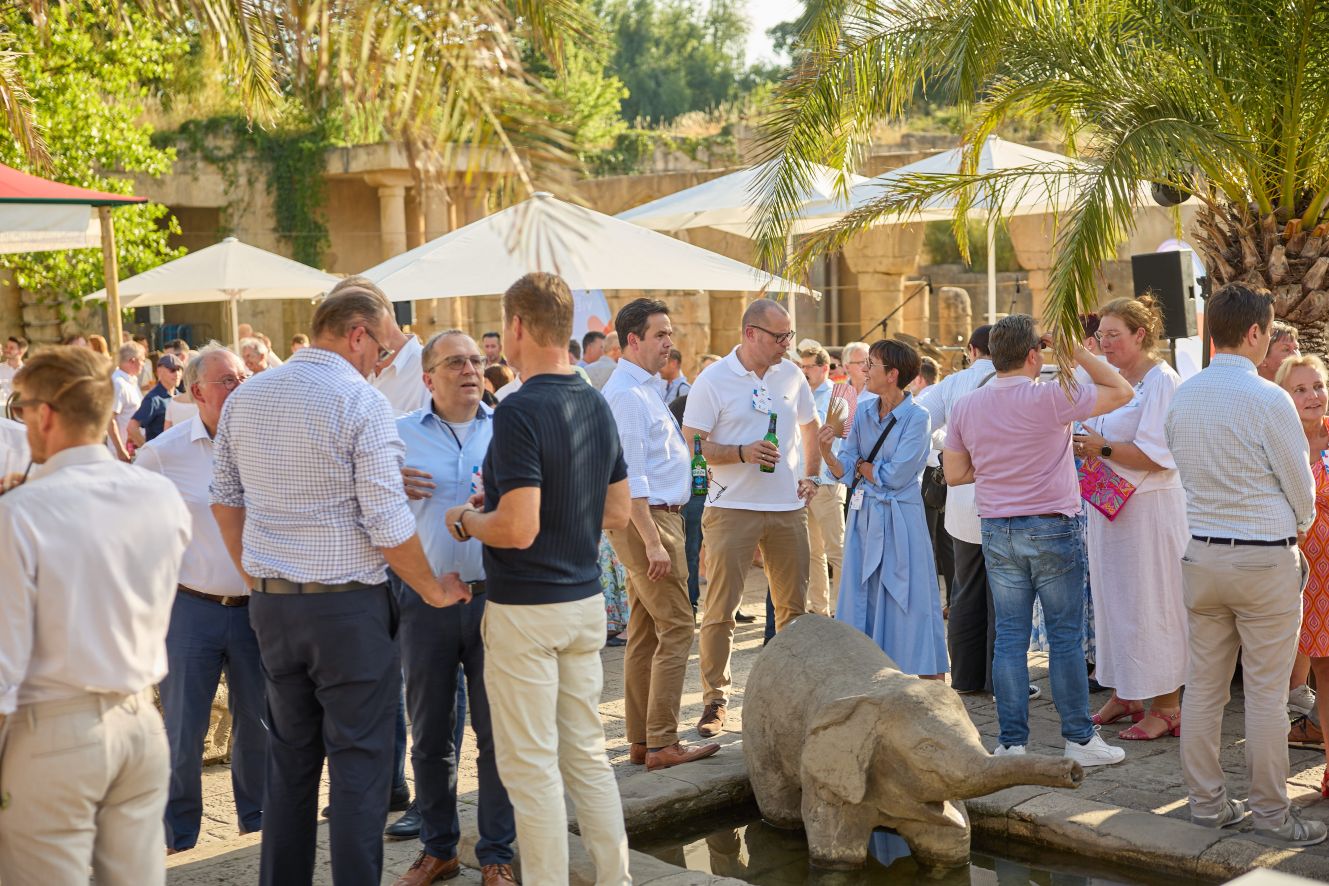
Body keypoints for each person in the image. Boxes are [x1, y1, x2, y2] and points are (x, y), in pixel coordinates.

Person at [211, 284, 470, 886]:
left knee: (290, 764)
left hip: (273, 605)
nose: (380, 362)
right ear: (357, 335)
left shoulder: (247, 396)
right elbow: (387, 520)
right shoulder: (360, 399)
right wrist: (432, 589)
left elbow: (224, 501)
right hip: (347, 609)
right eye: (381, 350)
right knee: (360, 767)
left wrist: (256, 578)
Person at [442, 272, 632, 886]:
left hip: (527, 609)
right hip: (583, 602)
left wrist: (468, 520)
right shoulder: (594, 401)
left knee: (531, 768)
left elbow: (518, 528)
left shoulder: (519, 409)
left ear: (517, 326)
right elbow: (617, 512)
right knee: (587, 758)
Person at [0, 346, 190, 885]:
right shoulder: (159, 495)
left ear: (46, 414)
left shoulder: (21, 513)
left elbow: (4, 663)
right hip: (139, 723)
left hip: (53, 728)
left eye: (22, 408)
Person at [1165, 283, 1325, 845]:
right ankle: (1272, 815)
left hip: (1203, 554)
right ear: (1255, 332)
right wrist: (1297, 526)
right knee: (1265, 696)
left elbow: (1181, 466)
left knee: (1203, 691)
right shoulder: (1268, 398)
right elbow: (1302, 490)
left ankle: (1207, 807)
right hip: (1262, 558)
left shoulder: (1184, 395)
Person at [944, 314, 1133, 766]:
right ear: (1034, 354)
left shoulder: (966, 405)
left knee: (1009, 637)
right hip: (1051, 524)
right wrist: (1073, 349)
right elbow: (1121, 390)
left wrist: (996, 467)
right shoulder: (1051, 396)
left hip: (998, 527)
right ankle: (1079, 740)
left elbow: (955, 474)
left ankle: (1012, 743)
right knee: (1065, 637)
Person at [390, 330, 517, 886]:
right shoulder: (398, 436)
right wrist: (388, 483)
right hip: (425, 600)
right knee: (430, 734)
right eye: (455, 363)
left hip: (497, 599)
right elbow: (361, 501)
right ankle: (438, 849)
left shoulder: (508, 429)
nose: (470, 370)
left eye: (475, 361)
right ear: (428, 378)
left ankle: (496, 855)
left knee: (497, 734)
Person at [137, 345, 266, 853]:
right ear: (197, 392)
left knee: (259, 724)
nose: (240, 387)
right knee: (183, 728)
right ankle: (177, 833)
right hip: (190, 608)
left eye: (244, 377)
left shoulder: (266, 442)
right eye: (227, 380)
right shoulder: (162, 454)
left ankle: (258, 824)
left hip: (258, 606)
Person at [681, 298, 820, 738]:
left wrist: (812, 475)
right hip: (731, 508)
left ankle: (792, 699)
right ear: (750, 333)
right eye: (779, 337)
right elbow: (693, 445)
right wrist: (742, 452)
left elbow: (810, 426)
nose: (786, 344)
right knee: (721, 610)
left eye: (789, 335)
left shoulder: (791, 374)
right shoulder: (713, 379)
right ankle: (715, 701)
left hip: (786, 509)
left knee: (794, 611)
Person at [602, 298, 721, 770]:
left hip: (654, 518)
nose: (669, 342)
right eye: (660, 334)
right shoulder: (630, 396)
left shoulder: (642, 388)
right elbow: (630, 477)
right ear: (633, 340)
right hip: (650, 520)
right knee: (677, 627)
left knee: (647, 631)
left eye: (669, 333)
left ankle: (642, 739)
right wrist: (653, 541)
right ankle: (663, 743)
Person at [1071, 296, 1187, 740]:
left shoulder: (1163, 381)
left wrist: (1099, 447)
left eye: (1114, 335)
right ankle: (1126, 692)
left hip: (1150, 511)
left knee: (1152, 603)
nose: (1105, 343)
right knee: (1114, 602)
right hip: (1108, 505)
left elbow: (1159, 455)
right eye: (1101, 335)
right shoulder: (1110, 377)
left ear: (1141, 335)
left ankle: (1167, 705)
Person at [821, 339, 946, 676]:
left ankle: (924, 675)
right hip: (864, 517)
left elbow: (896, 475)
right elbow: (846, 467)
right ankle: (866, 670)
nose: (864, 370)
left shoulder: (917, 417)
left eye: (871, 364)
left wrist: (862, 467)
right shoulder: (861, 412)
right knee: (863, 591)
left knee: (909, 596)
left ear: (892, 374)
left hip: (901, 518)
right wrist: (828, 454)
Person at [919, 325, 996, 693]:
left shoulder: (952, 384)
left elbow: (919, 421)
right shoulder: (1017, 382)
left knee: (965, 591)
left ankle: (965, 676)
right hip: (1002, 502)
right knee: (1001, 598)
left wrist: (945, 449)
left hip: (962, 502)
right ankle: (998, 679)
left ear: (971, 350)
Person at [1255, 321, 1317, 717]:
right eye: (1285, 348)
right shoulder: (1267, 415)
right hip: (1284, 542)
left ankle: (1299, 691)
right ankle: (1282, 694)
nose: (1294, 353)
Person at [1278, 355, 1329, 775]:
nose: (1313, 396)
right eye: (1300, 389)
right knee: (1323, 674)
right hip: (1310, 577)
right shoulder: (1280, 444)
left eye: (1318, 386)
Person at [799, 344, 846, 617]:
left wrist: (818, 477)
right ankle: (819, 607)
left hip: (826, 483)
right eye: (802, 366)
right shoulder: (801, 394)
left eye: (809, 366)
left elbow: (837, 444)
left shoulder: (835, 396)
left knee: (836, 550)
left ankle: (842, 608)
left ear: (825, 368)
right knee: (812, 552)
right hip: (804, 483)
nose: (804, 371)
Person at [128, 353, 184, 446]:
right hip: (162, 452)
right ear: (160, 372)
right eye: (172, 370)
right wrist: (147, 450)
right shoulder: (153, 399)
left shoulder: (180, 396)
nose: (177, 374)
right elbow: (132, 427)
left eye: (179, 369)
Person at [108, 342, 144, 460]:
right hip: (122, 454)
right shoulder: (118, 383)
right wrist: (120, 450)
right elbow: (109, 419)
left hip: (134, 451)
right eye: (142, 360)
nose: (143, 364)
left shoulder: (131, 380)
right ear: (132, 361)